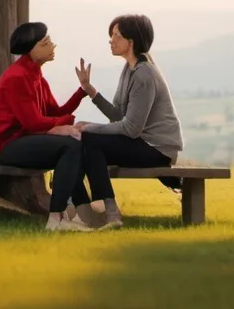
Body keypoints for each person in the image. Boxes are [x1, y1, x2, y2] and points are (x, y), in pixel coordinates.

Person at [0, 21, 114, 231]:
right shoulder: (16, 77)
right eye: (45, 42)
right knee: (70, 146)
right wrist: (60, 127)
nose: (52, 45)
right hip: (3, 146)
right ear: (30, 49)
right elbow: (33, 122)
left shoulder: (37, 76)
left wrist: (83, 90)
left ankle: (81, 212)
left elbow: (56, 113)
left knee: (74, 145)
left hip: (23, 140)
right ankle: (56, 219)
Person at [74, 13, 184, 228]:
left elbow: (131, 128)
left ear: (130, 41)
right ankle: (103, 211)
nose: (111, 40)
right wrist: (90, 90)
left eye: (116, 35)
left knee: (89, 139)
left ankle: (106, 211)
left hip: (157, 149)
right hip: (141, 143)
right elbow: (119, 116)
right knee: (88, 141)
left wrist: (89, 127)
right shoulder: (130, 69)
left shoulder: (144, 74)